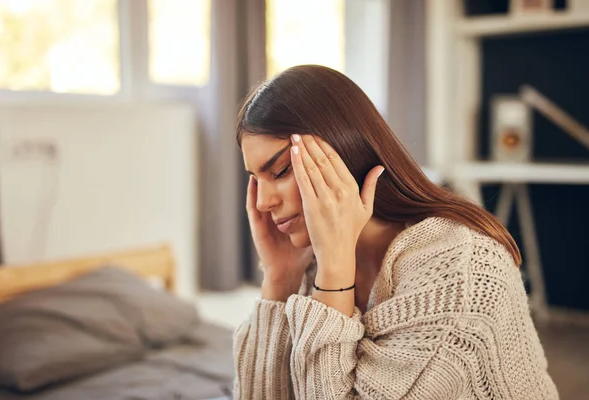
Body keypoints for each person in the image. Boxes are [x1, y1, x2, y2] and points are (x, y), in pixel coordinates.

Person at [233, 65, 558, 399]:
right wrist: (280, 278)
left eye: (281, 170)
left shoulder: (459, 274)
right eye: (255, 179)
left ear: (343, 153)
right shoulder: (310, 262)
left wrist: (334, 272)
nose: (262, 202)